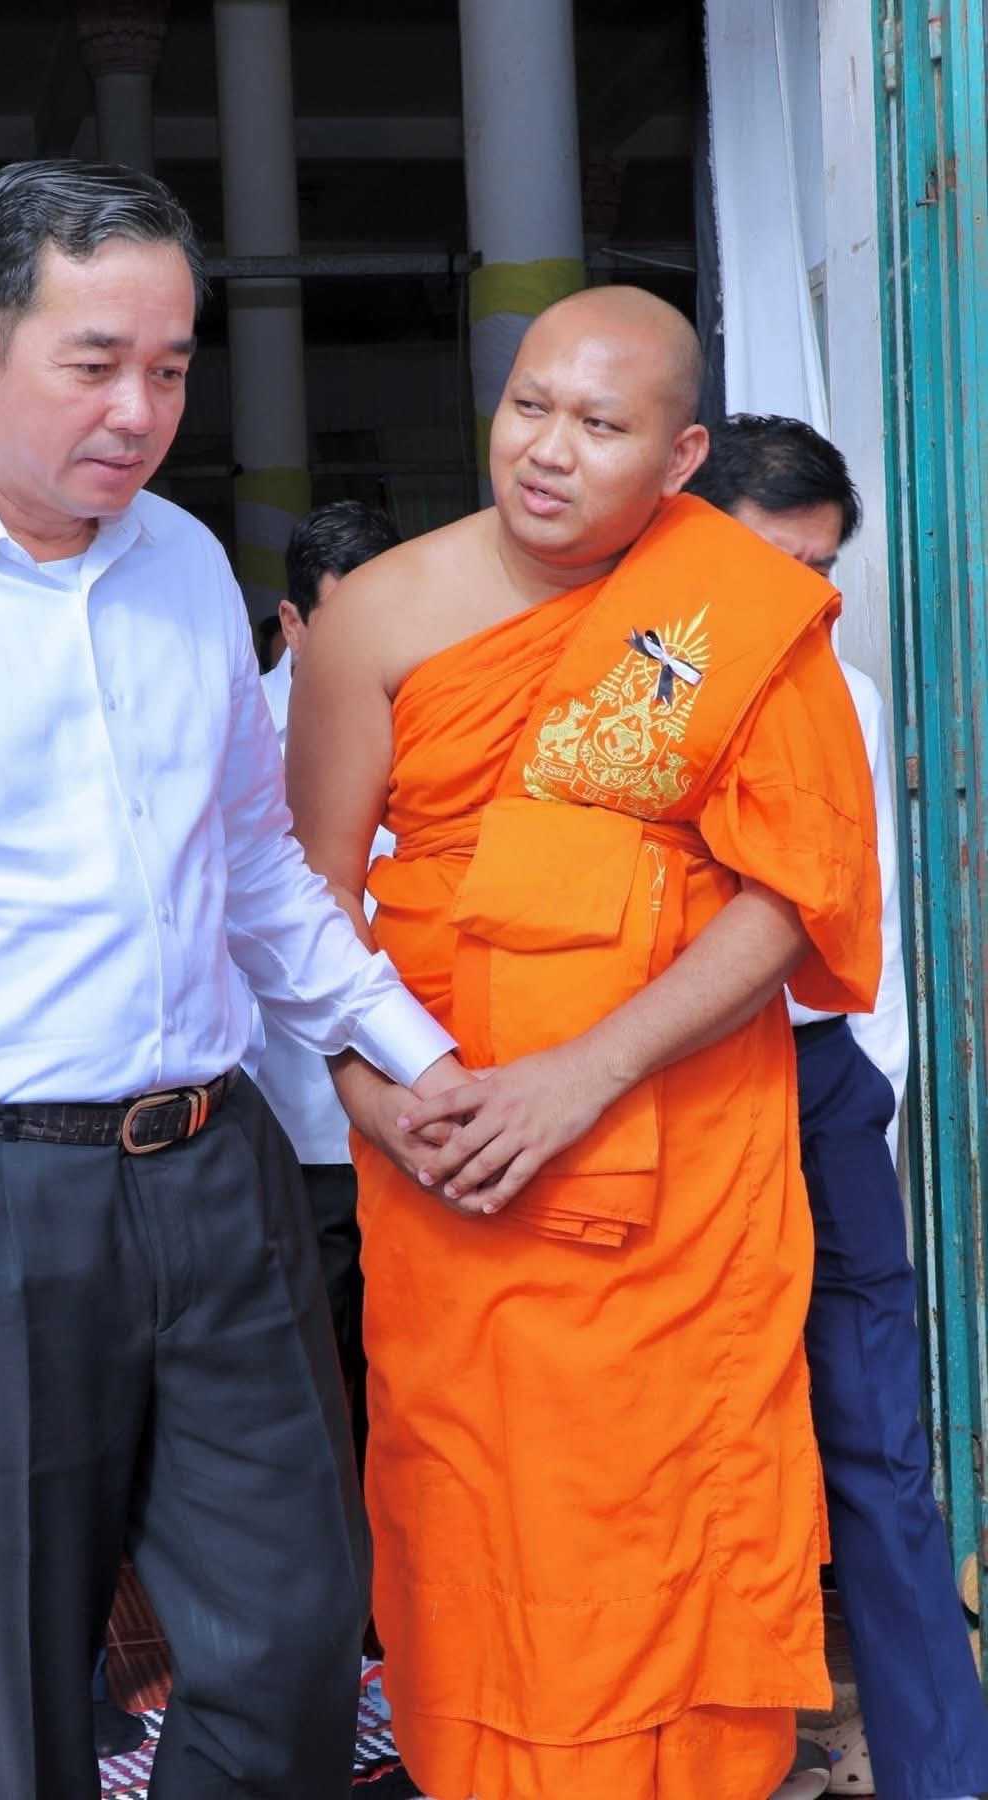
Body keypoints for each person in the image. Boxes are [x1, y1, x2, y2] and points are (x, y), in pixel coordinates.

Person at [0, 160, 467, 1800]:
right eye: (95, 362)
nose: (138, 411)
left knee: (293, 1631)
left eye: (170, 369)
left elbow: (254, 870)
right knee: (11, 1697)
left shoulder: (181, 565)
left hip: (216, 1174)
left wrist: (415, 1058)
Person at [285, 285, 883, 1800]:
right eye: (527, 406)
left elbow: (792, 890)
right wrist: (375, 1100)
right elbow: (302, 904)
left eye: (599, 425)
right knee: (481, 1507)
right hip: (454, 1169)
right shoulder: (377, 616)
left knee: (674, 1502)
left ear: (678, 457)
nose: (546, 450)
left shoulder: (733, 610)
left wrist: (585, 1072)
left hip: (678, 1168)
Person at [689, 414, 988, 1800]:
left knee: (874, 1439)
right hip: (661, 1097)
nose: (798, 600)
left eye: (817, 574)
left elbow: (864, 922)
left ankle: (942, 1768)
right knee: (686, 1437)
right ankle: (716, 1757)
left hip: (811, 1087)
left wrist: (867, 1093)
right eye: (772, 562)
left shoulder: (842, 696)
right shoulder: (607, 682)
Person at [257, 499, 401, 1451]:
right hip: (288, 1124)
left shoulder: (433, 706)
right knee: (305, 1396)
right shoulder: (235, 735)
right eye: (348, 619)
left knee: (408, 1381)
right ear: (293, 622)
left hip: (413, 1113)